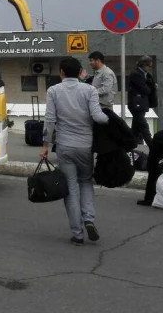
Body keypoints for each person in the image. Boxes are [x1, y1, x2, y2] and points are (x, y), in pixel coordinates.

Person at [40, 56, 110, 246]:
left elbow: (50, 120)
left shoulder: (53, 90)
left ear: (61, 72)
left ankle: (77, 234)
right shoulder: (90, 90)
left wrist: (46, 145)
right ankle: (89, 219)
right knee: (86, 182)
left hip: (64, 146)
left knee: (70, 188)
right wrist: (111, 120)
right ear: (80, 73)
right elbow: (97, 116)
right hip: (85, 147)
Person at [128, 56, 157, 149]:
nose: (150, 68)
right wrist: (152, 87)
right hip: (137, 104)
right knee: (144, 126)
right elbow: (145, 90)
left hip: (142, 104)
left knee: (135, 129)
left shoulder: (146, 75)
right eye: (149, 66)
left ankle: (128, 146)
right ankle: (153, 147)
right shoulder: (136, 74)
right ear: (143, 65)